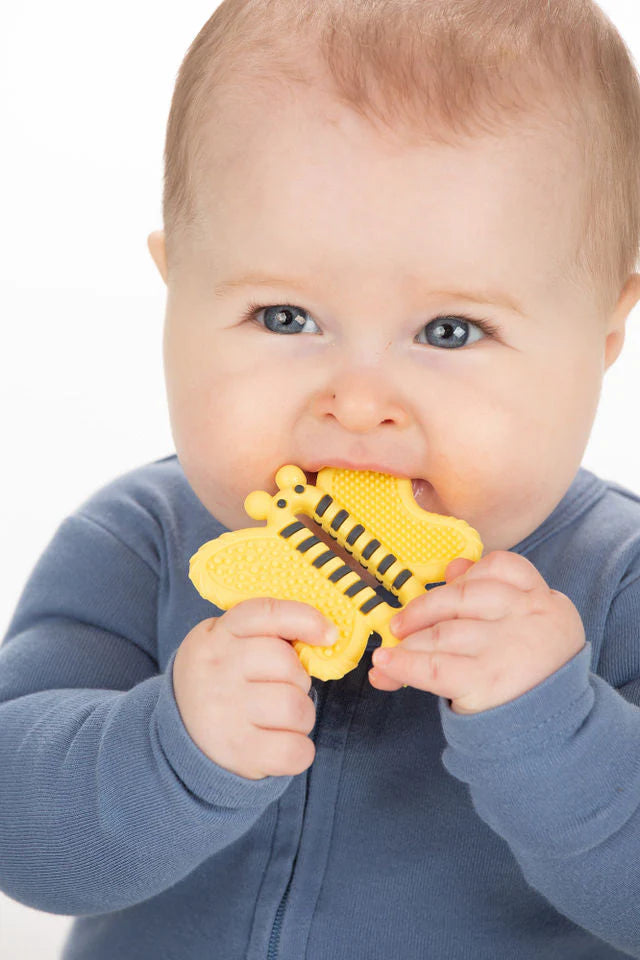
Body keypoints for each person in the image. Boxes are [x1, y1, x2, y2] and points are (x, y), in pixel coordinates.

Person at [3, 0, 640, 956]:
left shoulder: (617, 582)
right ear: (175, 293)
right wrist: (170, 748)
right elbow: (22, 843)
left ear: (601, 339)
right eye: (286, 316)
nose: (357, 402)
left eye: (450, 331)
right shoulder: (139, 542)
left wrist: (555, 731)